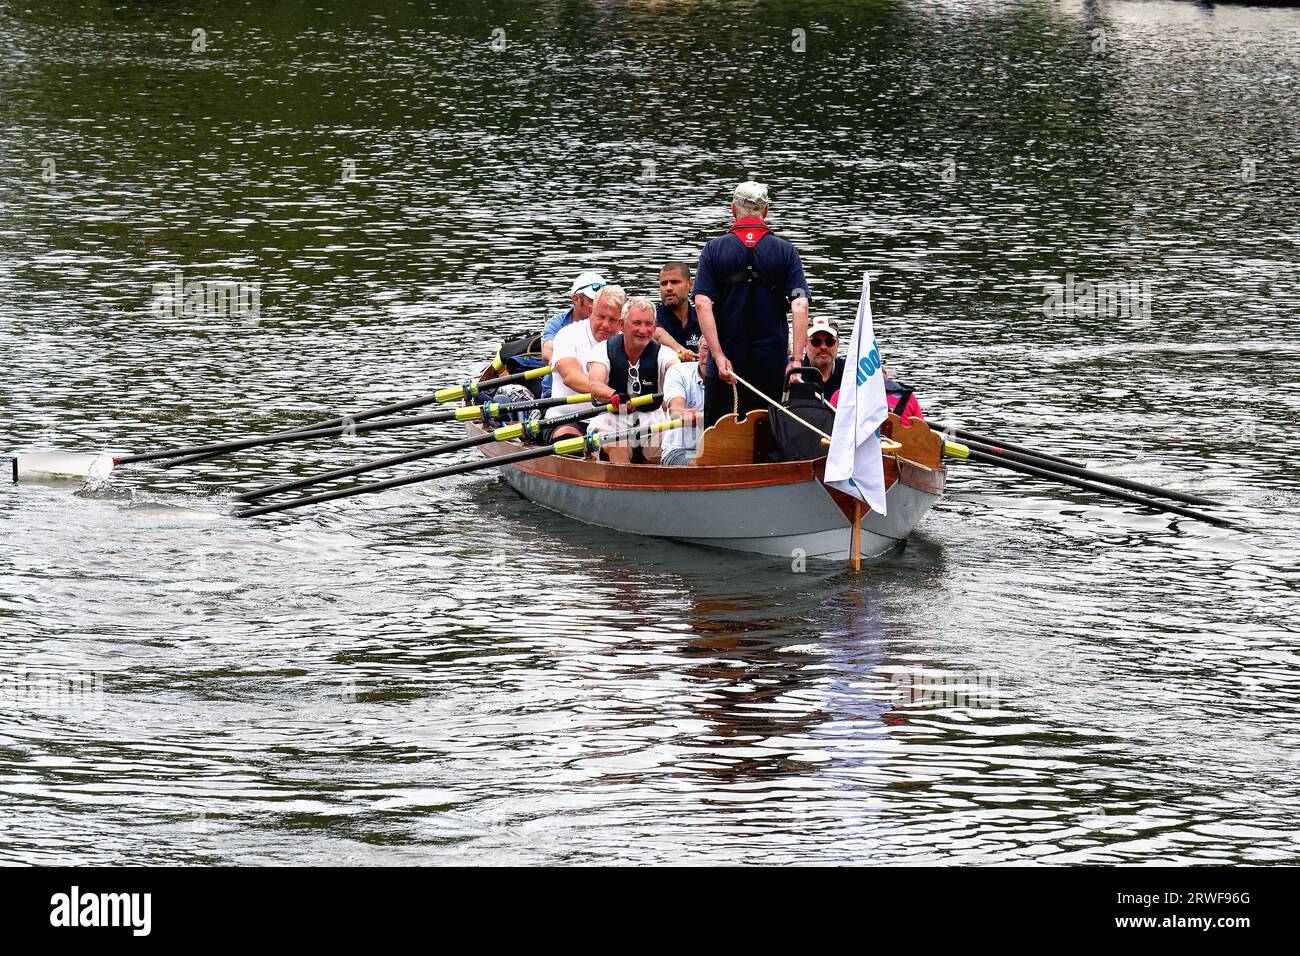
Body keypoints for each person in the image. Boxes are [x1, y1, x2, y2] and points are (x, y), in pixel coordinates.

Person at [694, 181, 811, 428]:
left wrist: (716, 355)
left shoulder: (713, 250)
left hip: (725, 368)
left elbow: (702, 303)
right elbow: (799, 305)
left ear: (733, 209)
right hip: (770, 367)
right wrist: (797, 360)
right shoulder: (786, 251)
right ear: (766, 210)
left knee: (720, 442)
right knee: (765, 442)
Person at [586, 296, 680, 463]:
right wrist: (614, 395)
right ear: (622, 325)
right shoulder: (602, 351)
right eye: (637, 323)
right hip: (611, 423)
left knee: (675, 442)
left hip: (653, 425)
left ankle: (658, 484)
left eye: (648, 324)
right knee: (617, 444)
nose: (643, 331)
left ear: (655, 325)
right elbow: (595, 385)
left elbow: (676, 372)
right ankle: (622, 483)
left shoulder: (665, 354)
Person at [546, 285, 626, 440]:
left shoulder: (628, 340)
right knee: (567, 438)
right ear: (590, 312)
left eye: (612, 320)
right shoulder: (567, 335)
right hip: (570, 419)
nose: (605, 325)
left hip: (615, 421)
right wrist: (610, 394)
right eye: (601, 317)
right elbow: (570, 376)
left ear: (622, 322)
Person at [540, 271, 605, 398]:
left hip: (597, 394)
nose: (598, 306)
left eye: (600, 301)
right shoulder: (558, 324)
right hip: (555, 396)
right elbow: (547, 350)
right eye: (592, 300)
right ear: (576, 299)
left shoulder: (607, 326)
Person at [659, 339, 708, 466]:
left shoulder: (734, 378)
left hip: (720, 451)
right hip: (680, 450)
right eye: (706, 349)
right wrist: (682, 414)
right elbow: (675, 409)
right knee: (700, 464)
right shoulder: (678, 372)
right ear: (698, 351)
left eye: (715, 352)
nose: (709, 357)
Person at [651, 261, 702, 360]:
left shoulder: (702, 318)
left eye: (674, 282)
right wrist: (680, 350)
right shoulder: (652, 316)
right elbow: (657, 333)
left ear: (690, 284)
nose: (668, 288)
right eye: (664, 284)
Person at [803, 317, 844, 398]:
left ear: (837, 344)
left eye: (830, 342)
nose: (823, 347)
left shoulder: (849, 372)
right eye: (816, 342)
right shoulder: (794, 374)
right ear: (805, 344)